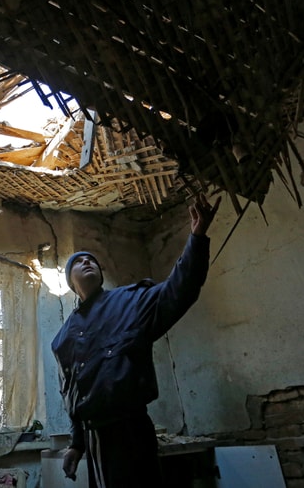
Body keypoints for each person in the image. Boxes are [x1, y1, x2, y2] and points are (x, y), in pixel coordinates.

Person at [51, 193, 221, 487]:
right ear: (70, 282)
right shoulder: (62, 338)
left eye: (92, 260)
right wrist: (77, 445)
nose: (88, 261)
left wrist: (196, 238)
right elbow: (71, 394)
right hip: (96, 438)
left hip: (136, 429)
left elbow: (178, 291)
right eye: (79, 261)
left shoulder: (131, 301)